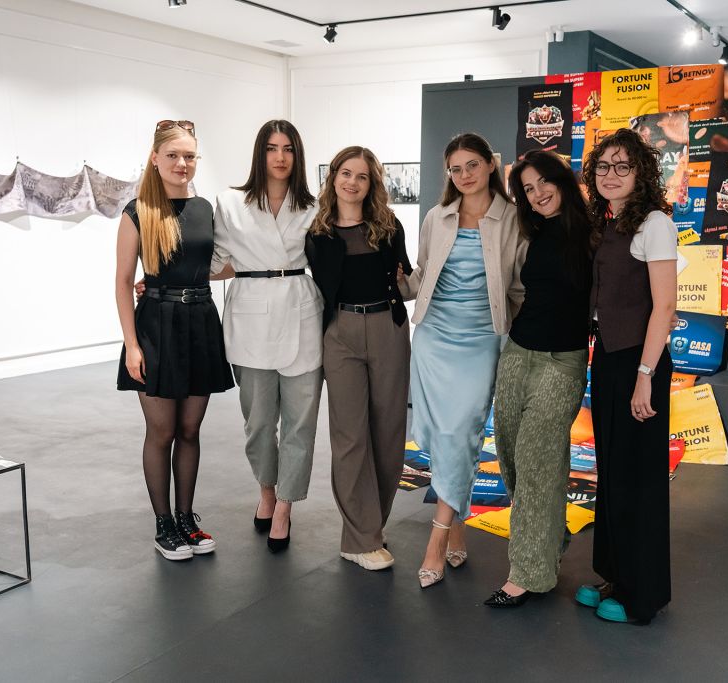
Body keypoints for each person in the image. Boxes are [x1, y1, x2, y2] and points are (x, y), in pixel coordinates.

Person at [400, 133, 526, 588]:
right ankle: (455, 528)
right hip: (433, 336)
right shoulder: (437, 217)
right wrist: (390, 283)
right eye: (456, 168)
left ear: (490, 164)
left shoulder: (514, 218)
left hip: (481, 339)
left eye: (473, 164)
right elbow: (421, 274)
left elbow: (520, 285)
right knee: (439, 437)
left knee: (461, 433)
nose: (465, 174)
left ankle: (436, 540)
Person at [115, 119, 233, 561]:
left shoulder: (204, 209)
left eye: (189, 156)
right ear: (155, 159)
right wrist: (132, 345)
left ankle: (186, 518)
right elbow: (122, 282)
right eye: (173, 155)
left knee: (189, 430)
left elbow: (217, 266)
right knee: (162, 431)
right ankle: (163, 523)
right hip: (156, 327)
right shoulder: (137, 211)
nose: (182, 163)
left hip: (200, 320)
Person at [577, 127, 677, 624]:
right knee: (613, 474)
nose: (611, 175)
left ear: (641, 173)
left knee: (640, 480)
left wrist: (645, 375)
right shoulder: (608, 223)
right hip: (610, 359)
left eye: (622, 166)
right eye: (603, 166)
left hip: (641, 362)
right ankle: (615, 577)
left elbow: (665, 307)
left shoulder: (655, 223)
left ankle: (643, 598)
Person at [485, 151, 592, 607]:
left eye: (543, 182)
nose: (537, 193)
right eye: (527, 189)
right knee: (511, 456)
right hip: (517, 353)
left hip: (561, 361)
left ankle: (526, 574)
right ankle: (547, 538)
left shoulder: (594, 233)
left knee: (537, 460)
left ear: (561, 180)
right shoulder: (530, 230)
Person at [212, 120, 324, 553]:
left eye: (288, 148)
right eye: (272, 148)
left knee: (300, 424)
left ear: (298, 155)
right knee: (258, 423)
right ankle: (266, 490)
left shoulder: (315, 205)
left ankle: (285, 507)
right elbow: (216, 261)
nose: (280, 157)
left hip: (301, 312)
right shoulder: (230, 202)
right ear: (260, 154)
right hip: (250, 316)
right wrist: (164, 279)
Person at [305, 146, 413, 571]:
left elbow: (404, 278)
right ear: (333, 178)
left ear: (372, 184)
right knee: (349, 437)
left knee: (388, 434)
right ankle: (358, 538)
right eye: (346, 173)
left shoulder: (389, 227)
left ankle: (372, 526)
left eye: (362, 176)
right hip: (341, 334)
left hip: (388, 329)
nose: (352, 182)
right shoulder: (317, 234)